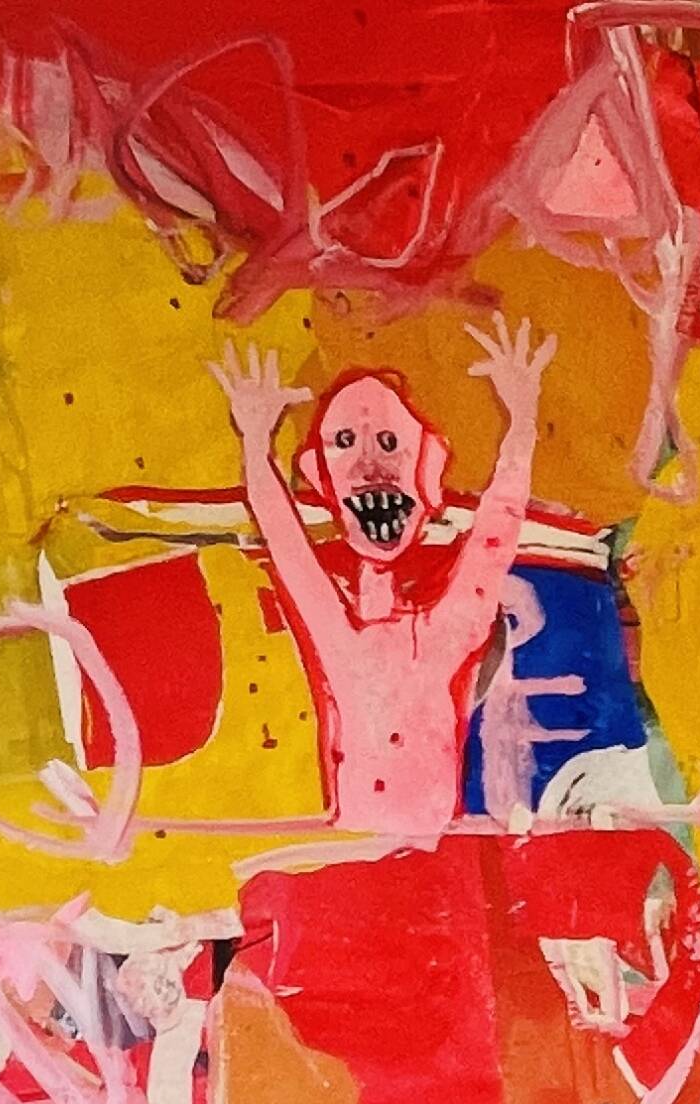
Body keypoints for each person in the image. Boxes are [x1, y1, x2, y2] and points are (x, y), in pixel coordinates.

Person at [212, 319, 553, 846]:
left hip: (424, 852)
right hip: (357, 853)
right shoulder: (343, 636)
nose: (370, 461)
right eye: (345, 441)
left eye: (390, 441)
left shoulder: (445, 632)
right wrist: (255, 446)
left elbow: (496, 532)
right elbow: (287, 544)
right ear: (320, 476)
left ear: (429, 469)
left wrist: (523, 422)